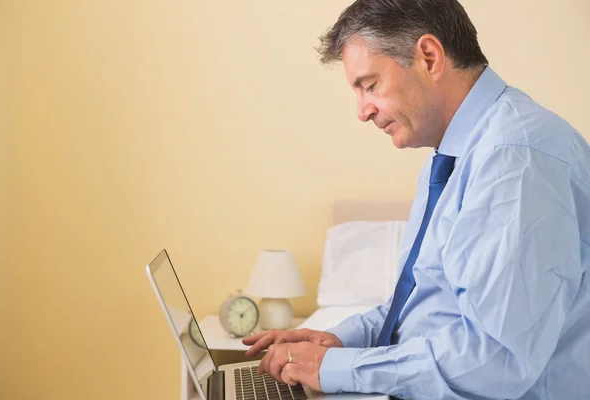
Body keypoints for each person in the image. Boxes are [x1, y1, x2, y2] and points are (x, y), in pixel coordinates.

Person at [243, 0, 590, 398]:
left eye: (370, 85)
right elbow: (421, 307)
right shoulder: (452, 157)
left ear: (429, 56)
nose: (362, 111)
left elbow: (497, 360)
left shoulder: (516, 160)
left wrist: (338, 369)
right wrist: (339, 342)